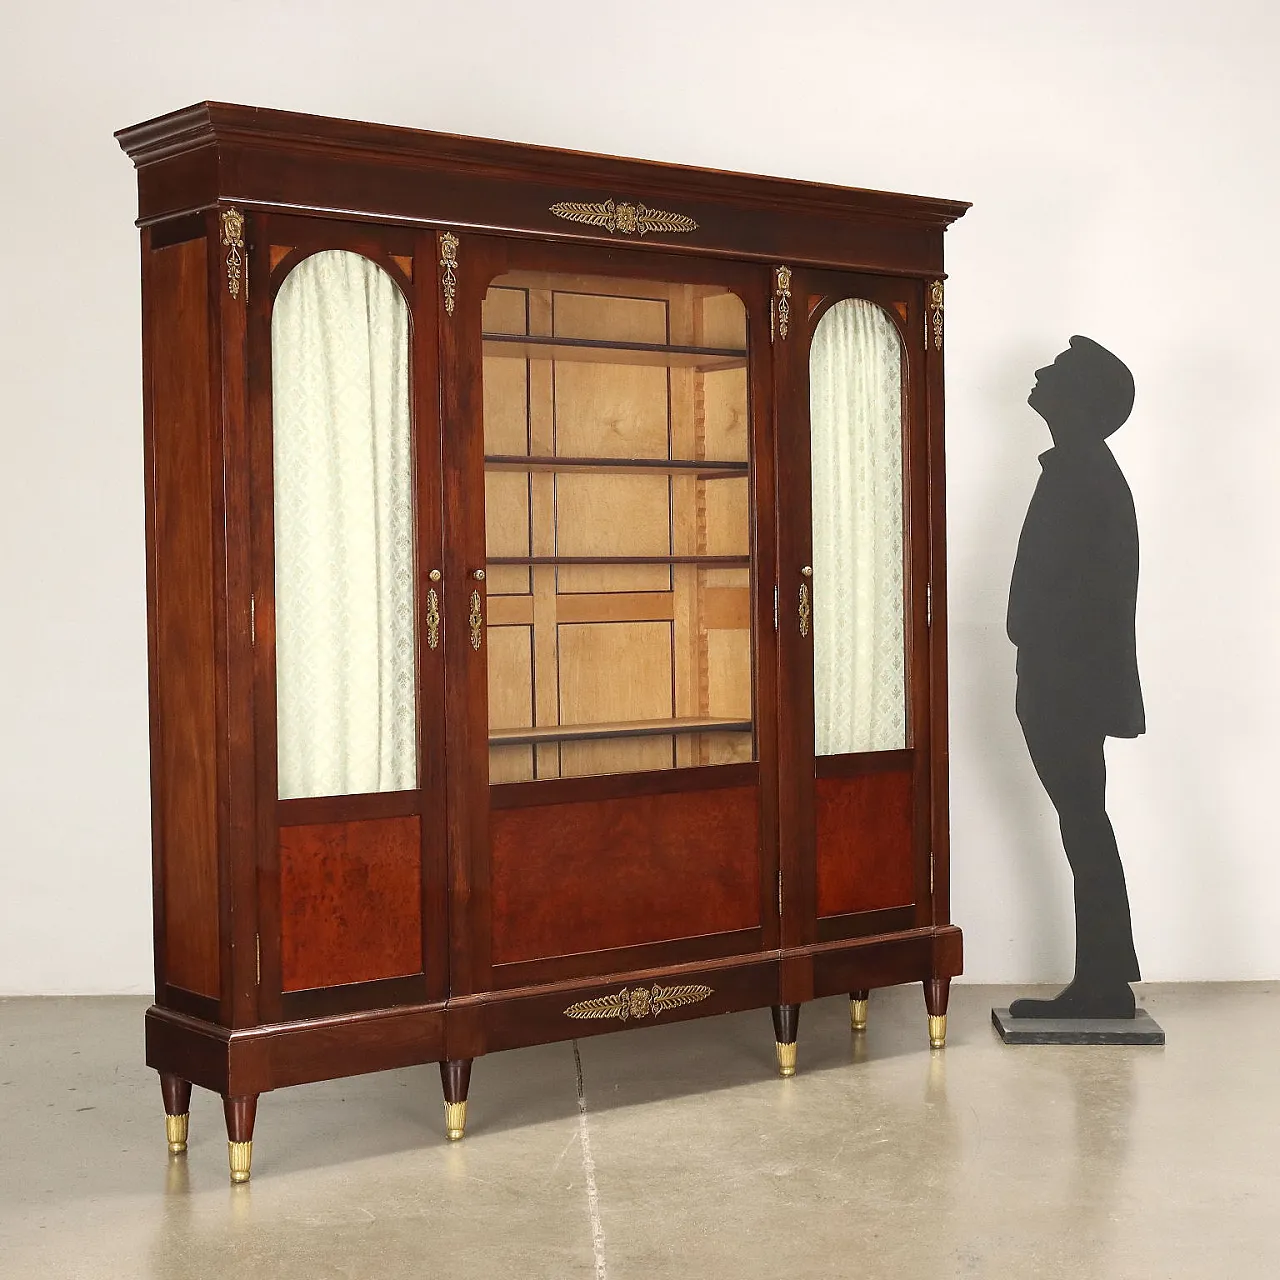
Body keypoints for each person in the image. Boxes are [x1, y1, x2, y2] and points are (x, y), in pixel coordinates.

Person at [1007, 336, 1143, 1019]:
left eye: (1057, 371)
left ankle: (1104, 982)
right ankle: (1106, 977)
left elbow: (1097, 595)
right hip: (1063, 679)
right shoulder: (1080, 469)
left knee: (1084, 822)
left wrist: (1038, 644)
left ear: (1081, 400)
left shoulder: (1085, 474)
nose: (1039, 372)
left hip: (1068, 684)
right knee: (1084, 823)